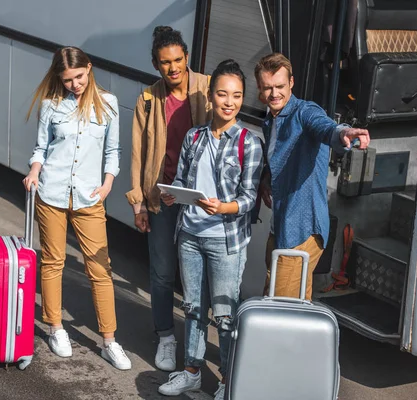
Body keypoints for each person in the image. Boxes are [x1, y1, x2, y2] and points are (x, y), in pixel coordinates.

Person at [157, 60, 264, 399]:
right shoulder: (194, 136)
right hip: (189, 235)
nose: (229, 102)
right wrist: (173, 194)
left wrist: (224, 207)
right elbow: (182, 180)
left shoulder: (250, 142)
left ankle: (227, 381)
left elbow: (249, 199)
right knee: (192, 307)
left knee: (225, 315)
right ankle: (191, 370)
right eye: (222, 94)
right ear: (210, 96)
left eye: (236, 95)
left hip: (225, 241)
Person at [22, 46, 131, 370]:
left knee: (100, 269)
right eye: (68, 80)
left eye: (80, 77)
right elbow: (41, 147)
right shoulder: (50, 106)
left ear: (90, 69)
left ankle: (109, 341)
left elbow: (113, 151)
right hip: (52, 193)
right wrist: (33, 171)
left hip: (89, 196)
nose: (75, 84)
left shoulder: (108, 104)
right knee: (52, 262)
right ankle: (55, 327)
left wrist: (108, 183)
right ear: (60, 78)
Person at [125, 25, 211, 372]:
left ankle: (195, 344)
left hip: (200, 199)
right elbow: (137, 152)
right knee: (162, 273)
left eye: (178, 60)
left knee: (197, 276)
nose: (173, 68)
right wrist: (138, 202)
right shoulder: (148, 99)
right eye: (165, 63)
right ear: (156, 64)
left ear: (186, 57)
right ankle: (165, 336)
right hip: (163, 198)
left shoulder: (207, 89)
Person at [255, 53, 370, 300]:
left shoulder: (304, 112)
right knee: (292, 305)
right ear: (259, 89)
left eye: (280, 87)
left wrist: (344, 133)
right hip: (281, 226)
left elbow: (325, 127)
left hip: (300, 230)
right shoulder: (270, 121)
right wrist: (266, 178)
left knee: (279, 309)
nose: (274, 94)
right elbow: (279, 159)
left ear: (292, 83)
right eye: (268, 88)